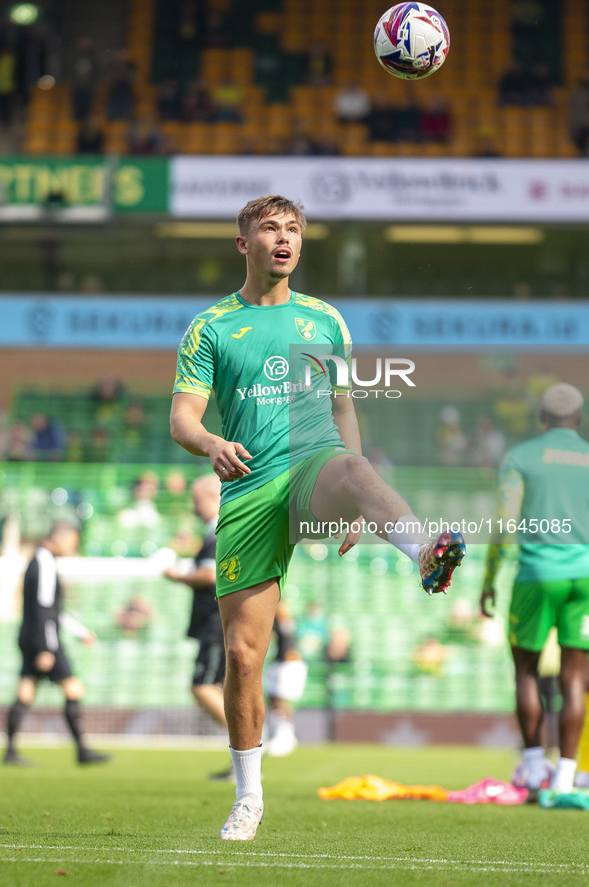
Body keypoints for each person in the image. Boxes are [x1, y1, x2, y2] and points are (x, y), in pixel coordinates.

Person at [170, 193, 466, 840]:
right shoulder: (211, 326)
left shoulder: (326, 319)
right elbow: (182, 417)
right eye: (270, 228)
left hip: (313, 469)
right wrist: (211, 443)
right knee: (245, 655)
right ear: (242, 243)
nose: (284, 238)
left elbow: (343, 410)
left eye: (294, 229)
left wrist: (357, 501)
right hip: (248, 488)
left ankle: (421, 550)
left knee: (358, 469)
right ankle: (248, 796)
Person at [481, 383, 589, 795]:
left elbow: (506, 523)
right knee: (574, 677)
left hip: (537, 573)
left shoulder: (521, 457)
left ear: (543, 418)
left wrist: (490, 580)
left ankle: (531, 766)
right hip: (585, 575)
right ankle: (566, 773)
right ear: (577, 418)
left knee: (526, 669)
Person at [3, 521, 109, 766]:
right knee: (74, 689)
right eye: (73, 541)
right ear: (59, 538)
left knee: (25, 691)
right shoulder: (45, 564)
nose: (74, 546)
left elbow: (51, 609)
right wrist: (46, 648)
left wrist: (80, 631)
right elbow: (44, 611)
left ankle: (9, 752)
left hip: (30, 636)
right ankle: (82, 751)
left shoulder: (38, 561)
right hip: (41, 640)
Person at [163, 475, 229, 744]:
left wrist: (177, 576)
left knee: (202, 687)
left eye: (197, 500)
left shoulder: (217, 533)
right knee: (220, 688)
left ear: (215, 498)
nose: (194, 507)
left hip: (215, 624)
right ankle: (245, 756)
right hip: (218, 622)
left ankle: (251, 741)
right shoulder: (222, 532)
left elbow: (211, 575)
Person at [264, 601, 308, 757]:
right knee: (274, 699)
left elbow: (287, 640)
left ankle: (286, 737)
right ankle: (278, 735)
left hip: (288, 663)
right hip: (280, 662)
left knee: (282, 701)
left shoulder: (285, 619)